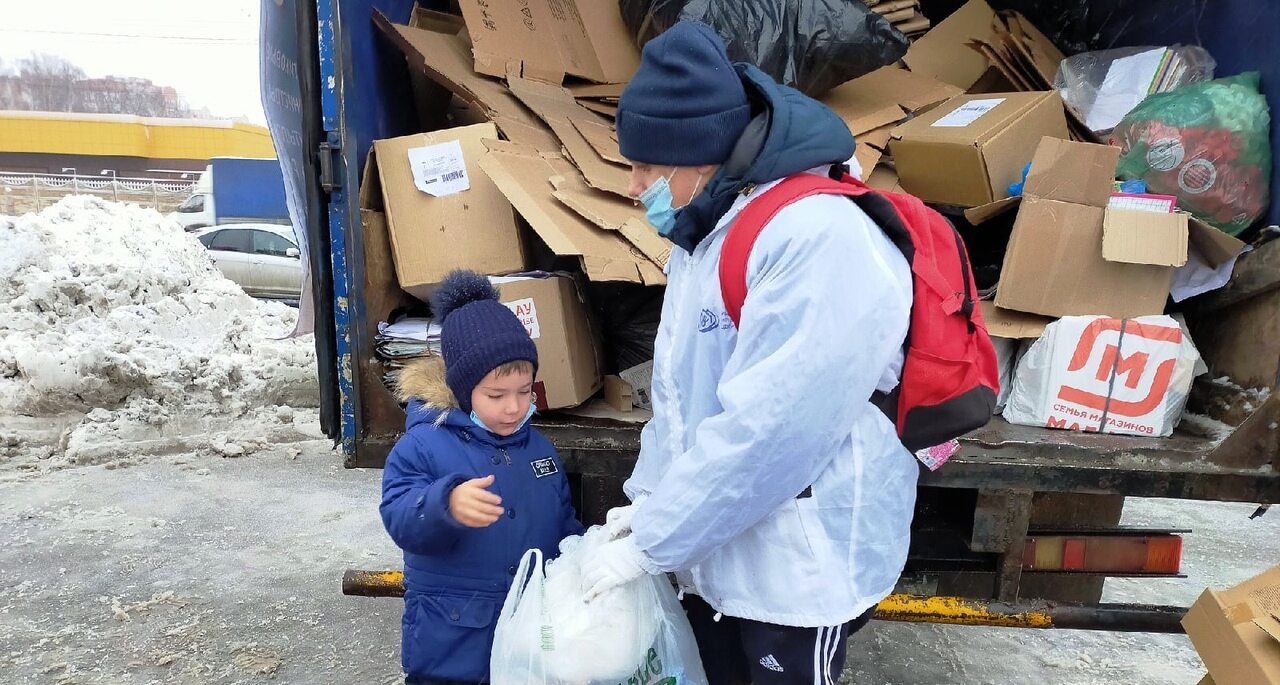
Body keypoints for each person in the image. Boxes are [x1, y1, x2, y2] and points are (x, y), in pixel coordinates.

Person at [578, 21, 918, 685]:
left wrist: (653, 539)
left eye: (645, 165)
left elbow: (770, 434)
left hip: (797, 570)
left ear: (698, 154)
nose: (631, 184)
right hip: (719, 559)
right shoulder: (706, 236)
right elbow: (681, 407)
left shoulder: (817, 238)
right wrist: (643, 506)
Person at [380, 270, 584, 685]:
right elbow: (400, 516)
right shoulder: (423, 445)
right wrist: (444, 504)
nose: (513, 407)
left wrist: (585, 558)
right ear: (461, 387)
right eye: (496, 395)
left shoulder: (540, 451)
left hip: (529, 639)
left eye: (524, 391)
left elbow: (563, 525)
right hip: (452, 643)